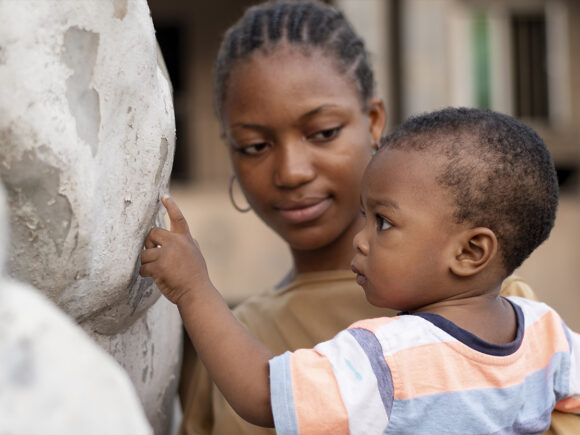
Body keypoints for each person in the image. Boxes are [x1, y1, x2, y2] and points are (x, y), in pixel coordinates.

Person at [176, 0, 579, 433]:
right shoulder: (230, 342)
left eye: (324, 132)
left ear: (373, 122)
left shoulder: (496, 315)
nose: (292, 171)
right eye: (254, 146)